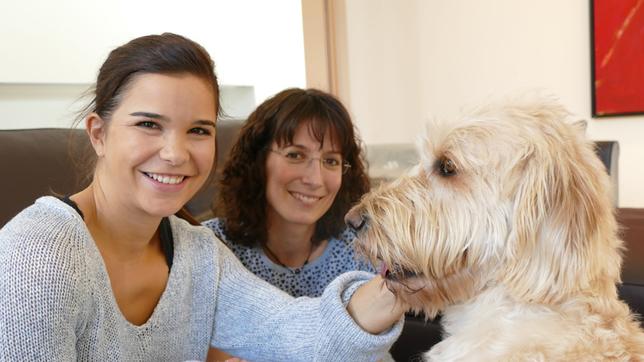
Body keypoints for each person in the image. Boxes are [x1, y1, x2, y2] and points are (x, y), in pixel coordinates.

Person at [0, 33, 408, 361]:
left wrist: (402, 280)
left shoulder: (198, 253)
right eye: (148, 124)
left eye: (198, 130)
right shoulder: (39, 253)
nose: (176, 154)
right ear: (98, 133)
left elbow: (294, 333)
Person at [204, 88, 374, 299]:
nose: (314, 180)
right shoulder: (211, 248)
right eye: (295, 155)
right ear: (258, 161)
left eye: (331, 161)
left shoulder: (364, 252)